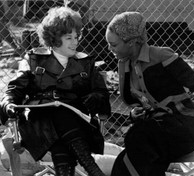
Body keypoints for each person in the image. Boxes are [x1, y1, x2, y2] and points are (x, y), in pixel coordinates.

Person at [0, 6, 111, 176]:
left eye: (76, 36)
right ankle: (90, 166)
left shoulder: (86, 63)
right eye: (69, 38)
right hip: (38, 126)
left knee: (62, 118)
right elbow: (13, 91)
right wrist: (9, 105)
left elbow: (102, 94)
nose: (75, 42)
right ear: (53, 38)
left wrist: (95, 98)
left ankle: (65, 172)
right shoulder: (33, 60)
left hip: (78, 124)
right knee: (56, 112)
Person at [105, 11, 194, 176]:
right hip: (156, 133)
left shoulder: (161, 56)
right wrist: (135, 113)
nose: (109, 49)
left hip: (184, 128)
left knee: (138, 137)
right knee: (123, 165)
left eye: (113, 45)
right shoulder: (125, 65)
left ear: (131, 42)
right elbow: (139, 102)